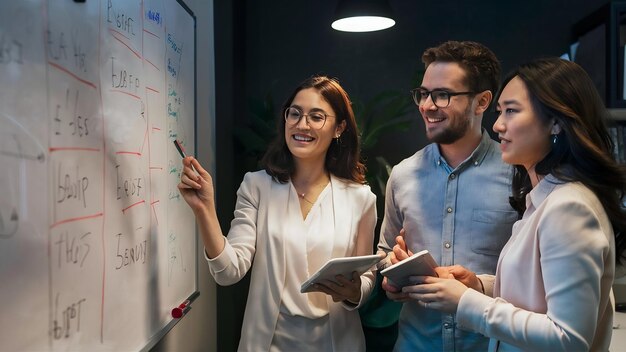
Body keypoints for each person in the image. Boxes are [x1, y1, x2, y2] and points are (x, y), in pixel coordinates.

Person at [405, 57, 626, 351]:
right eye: (500, 111)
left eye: (511, 111)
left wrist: (465, 301)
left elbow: (569, 338)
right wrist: (478, 285)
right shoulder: (543, 199)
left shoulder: (568, 207)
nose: (497, 125)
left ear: (556, 123)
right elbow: (537, 292)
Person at [178, 75, 379, 351]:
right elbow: (228, 271)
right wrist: (205, 210)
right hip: (269, 344)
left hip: (337, 343)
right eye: (294, 113)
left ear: (339, 128)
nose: (302, 124)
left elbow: (367, 277)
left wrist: (355, 291)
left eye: (316, 117)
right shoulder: (257, 186)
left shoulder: (361, 199)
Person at [377, 40, 519, 351]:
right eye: (423, 94)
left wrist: (480, 286)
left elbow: (536, 275)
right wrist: (391, 272)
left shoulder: (520, 175)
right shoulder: (402, 175)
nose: (427, 106)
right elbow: (385, 251)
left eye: (442, 95)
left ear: (481, 102)